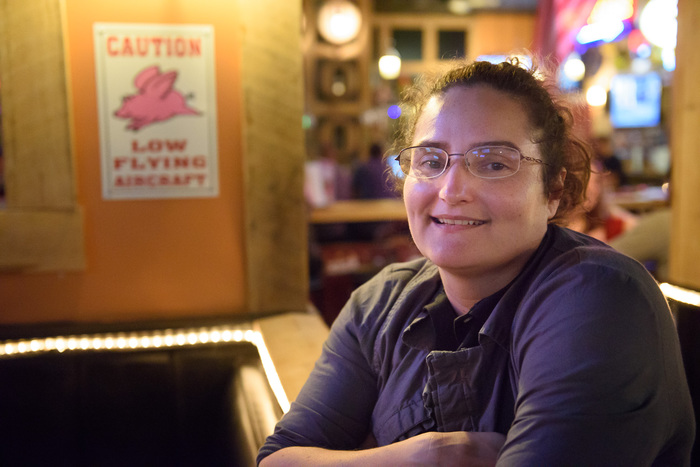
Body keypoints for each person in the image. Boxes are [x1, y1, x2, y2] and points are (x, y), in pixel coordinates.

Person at [258, 59, 695, 466]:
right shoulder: (379, 303)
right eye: (431, 160)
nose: (451, 190)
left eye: (493, 163)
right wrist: (426, 456)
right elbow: (277, 459)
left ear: (553, 191)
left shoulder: (599, 296)